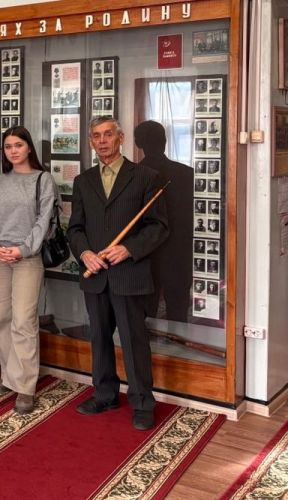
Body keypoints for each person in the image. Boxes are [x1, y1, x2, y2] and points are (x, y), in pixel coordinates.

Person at [67, 117, 168, 431]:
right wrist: (84, 253)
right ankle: (105, 395)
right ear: (90, 141)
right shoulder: (83, 181)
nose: (102, 141)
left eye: (108, 134)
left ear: (121, 138)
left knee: (133, 341)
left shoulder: (146, 177)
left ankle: (142, 402)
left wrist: (128, 249)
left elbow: (158, 227)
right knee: (99, 338)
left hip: (130, 274)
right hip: (95, 274)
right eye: (96, 136)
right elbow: (75, 228)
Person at [0, 126, 57, 413]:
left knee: (23, 320)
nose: (13, 151)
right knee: (2, 317)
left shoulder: (42, 180)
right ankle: (9, 375)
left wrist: (22, 249)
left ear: (29, 148)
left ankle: (25, 386)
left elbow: (44, 221)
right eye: (8, 146)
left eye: (18, 145)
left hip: (28, 258)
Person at [135, 121, 193, 323]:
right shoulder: (187, 173)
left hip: (144, 255)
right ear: (165, 140)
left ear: (138, 143)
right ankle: (179, 342)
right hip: (179, 253)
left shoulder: (132, 175)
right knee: (178, 313)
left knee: (144, 316)